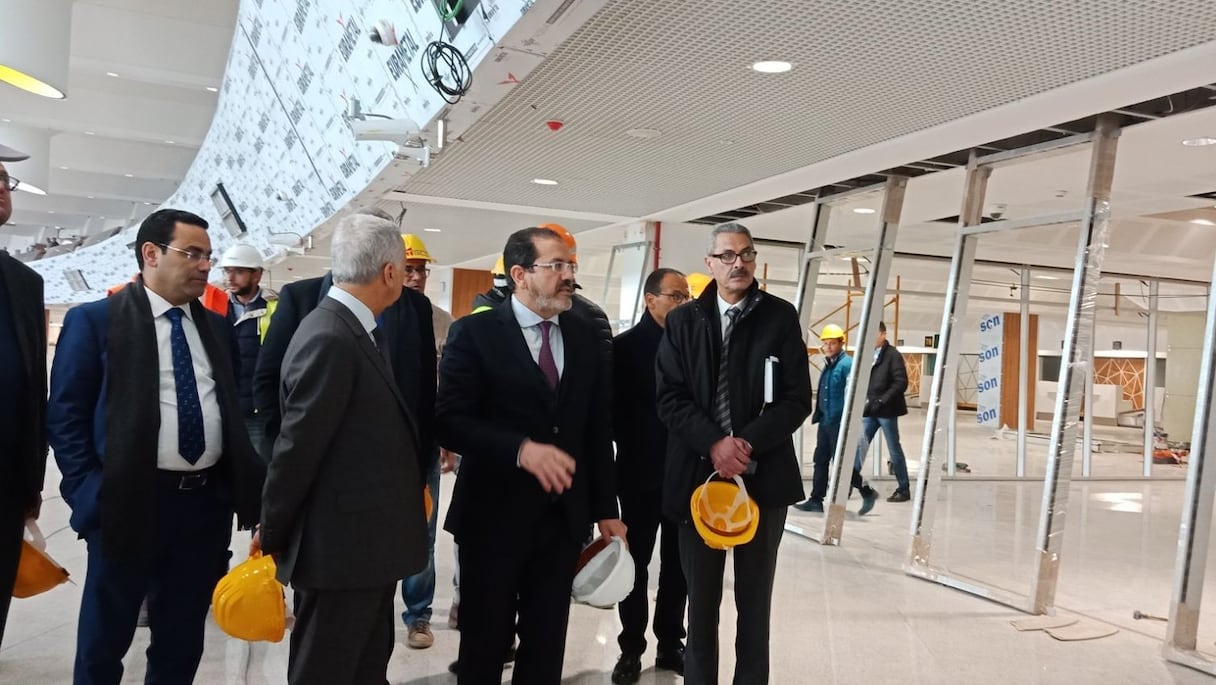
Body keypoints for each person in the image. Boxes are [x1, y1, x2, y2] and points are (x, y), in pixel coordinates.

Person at [48, 208, 263, 684]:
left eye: (208, 256)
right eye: (192, 254)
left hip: (202, 508)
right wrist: (89, 493)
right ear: (151, 253)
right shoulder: (96, 322)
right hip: (127, 503)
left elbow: (228, 405)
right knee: (105, 638)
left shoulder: (215, 328)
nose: (205, 266)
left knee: (181, 639)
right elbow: (66, 417)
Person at [437, 226, 625, 685]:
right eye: (556, 265)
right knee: (484, 646)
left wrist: (607, 509)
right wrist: (519, 450)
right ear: (519, 275)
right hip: (492, 519)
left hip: (561, 521)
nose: (569, 276)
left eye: (571, 266)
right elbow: (450, 421)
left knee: (545, 647)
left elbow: (596, 429)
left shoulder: (584, 336)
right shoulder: (475, 333)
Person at [256, 214, 428, 684]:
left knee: (363, 667)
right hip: (339, 551)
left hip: (364, 546)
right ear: (389, 273)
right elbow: (296, 449)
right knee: (326, 669)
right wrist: (272, 531)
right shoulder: (331, 336)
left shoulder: (352, 329)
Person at [655, 222, 811, 685]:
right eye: (726, 255)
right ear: (710, 264)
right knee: (701, 606)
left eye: (746, 254)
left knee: (755, 604)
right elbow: (670, 397)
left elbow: (796, 399)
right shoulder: (683, 321)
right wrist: (714, 443)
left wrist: (745, 444)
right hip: (696, 480)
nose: (737, 263)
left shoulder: (779, 317)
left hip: (764, 480)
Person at [254, 208, 437, 479]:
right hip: (322, 465)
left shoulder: (415, 306)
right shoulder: (301, 299)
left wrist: (423, 458)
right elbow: (268, 379)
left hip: (396, 463)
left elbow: (424, 386)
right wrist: (278, 453)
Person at [610, 268, 690, 685]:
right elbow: (610, 416)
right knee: (635, 565)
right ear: (650, 299)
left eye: (686, 297)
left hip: (686, 475)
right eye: (676, 296)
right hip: (639, 475)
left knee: (679, 566)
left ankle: (670, 643)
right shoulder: (623, 349)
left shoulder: (694, 346)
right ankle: (630, 648)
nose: (683, 303)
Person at [0, 156, 49, 650]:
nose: (0, 186)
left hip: (7, 482)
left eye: (3, 179)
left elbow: (36, 389)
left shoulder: (24, 283)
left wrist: (32, 482)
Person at [398, 232, 453, 650]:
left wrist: (447, 438)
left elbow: (447, 388)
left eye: (421, 270)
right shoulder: (373, 315)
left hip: (424, 447)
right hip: (379, 446)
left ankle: (419, 615)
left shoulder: (441, 321)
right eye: (409, 269)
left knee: (423, 531)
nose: (416, 277)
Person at [794, 324, 879, 515]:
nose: (828, 347)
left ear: (841, 343)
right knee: (820, 460)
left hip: (840, 423)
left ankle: (867, 491)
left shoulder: (847, 365)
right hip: (826, 421)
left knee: (840, 463)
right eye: (825, 343)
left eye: (832, 343)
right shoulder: (829, 364)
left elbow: (856, 393)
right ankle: (816, 500)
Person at [219, 244, 278, 461]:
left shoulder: (276, 307)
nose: (230, 278)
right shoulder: (215, 307)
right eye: (227, 271)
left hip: (258, 411)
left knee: (259, 466)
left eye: (239, 271)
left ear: (257, 275)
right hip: (224, 409)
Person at [859, 321, 911, 502]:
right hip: (871, 409)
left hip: (887, 411)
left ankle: (904, 489)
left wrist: (882, 400)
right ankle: (848, 484)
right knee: (861, 446)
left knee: (894, 449)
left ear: (883, 334)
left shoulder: (893, 355)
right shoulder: (868, 354)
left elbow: (901, 382)